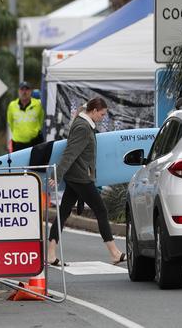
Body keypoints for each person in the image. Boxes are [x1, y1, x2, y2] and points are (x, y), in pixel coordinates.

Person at [47, 97, 126, 266]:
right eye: (102, 114)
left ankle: (50, 253)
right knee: (101, 210)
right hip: (80, 178)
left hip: (78, 176)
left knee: (63, 212)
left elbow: (84, 107)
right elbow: (70, 152)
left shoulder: (83, 121)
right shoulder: (83, 127)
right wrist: (57, 174)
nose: (102, 118)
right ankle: (114, 253)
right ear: (94, 111)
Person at [7, 81, 45, 152]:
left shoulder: (38, 104)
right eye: (22, 89)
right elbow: (10, 122)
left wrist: (34, 131)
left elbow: (41, 120)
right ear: (18, 91)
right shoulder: (12, 105)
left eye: (27, 89)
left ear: (30, 91)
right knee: (19, 163)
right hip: (18, 143)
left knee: (36, 163)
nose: (24, 92)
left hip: (35, 142)